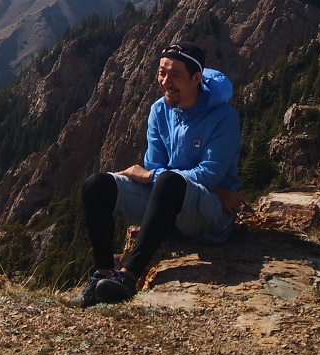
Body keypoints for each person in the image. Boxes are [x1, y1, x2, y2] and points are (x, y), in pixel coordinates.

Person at [77, 40, 242, 306]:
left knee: (167, 181)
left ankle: (128, 277)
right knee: (96, 185)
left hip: (208, 216)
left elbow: (208, 174)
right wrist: (156, 177)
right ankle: (103, 276)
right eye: (162, 72)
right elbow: (154, 166)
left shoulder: (224, 117)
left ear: (196, 78)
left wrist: (156, 177)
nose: (166, 81)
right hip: (169, 201)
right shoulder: (159, 110)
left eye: (175, 75)